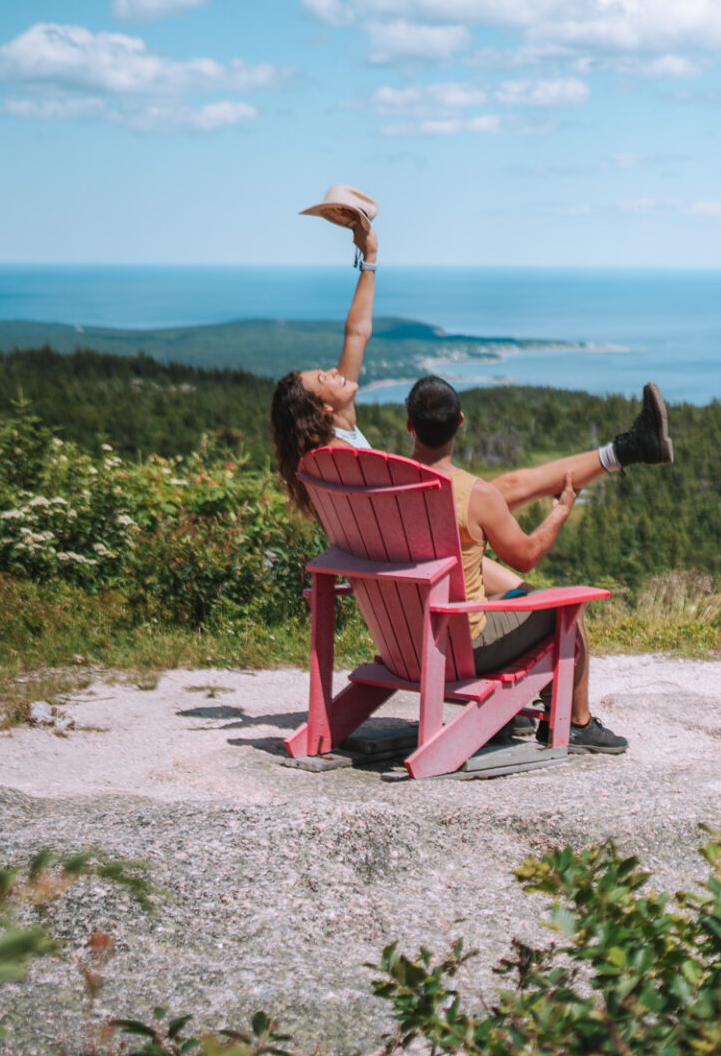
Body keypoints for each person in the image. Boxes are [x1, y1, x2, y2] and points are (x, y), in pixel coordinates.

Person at [267, 184, 674, 533]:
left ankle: (632, 449)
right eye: (324, 377)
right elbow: (356, 334)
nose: (336, 371)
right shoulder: (339, 451)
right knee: (509, 489)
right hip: (417, 537)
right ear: (321, 408)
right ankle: (629, 449)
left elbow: (356, 332)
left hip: (396, 544)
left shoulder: (325, 456)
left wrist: (369, 256)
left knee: (511, 522)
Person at [403, 374, 627, 754]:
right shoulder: (475, 494)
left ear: (409, 427)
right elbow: (526, 556)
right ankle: (575, 722)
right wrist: (560, 511)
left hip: (402, 642)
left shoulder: (385, 484)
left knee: (517, 596)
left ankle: (513, 712)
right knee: (565, 609)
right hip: (462, 648)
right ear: (460, 422)